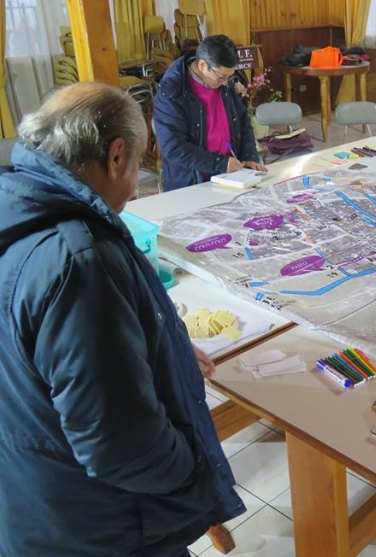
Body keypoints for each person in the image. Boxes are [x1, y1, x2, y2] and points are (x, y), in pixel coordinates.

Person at [0, 82, 245, 556]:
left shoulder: (18, 211)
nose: (136, 183)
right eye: (138, 163)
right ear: (116, 157)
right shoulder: (80, 260)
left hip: (35, 497)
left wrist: (159, 345)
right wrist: (194, 471)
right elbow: (121, 445)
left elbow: (39, 353)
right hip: (101, 526)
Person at [154, 34, 265, 192]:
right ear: (202, 65)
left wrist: (249, 156)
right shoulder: (172, 92)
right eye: (221, 77)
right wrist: (220, 163)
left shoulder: (223, 83)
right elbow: (174, 148)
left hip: (231, 177)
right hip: (191, 182)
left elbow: (243, 121)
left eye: (229, 77)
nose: (226, 82)